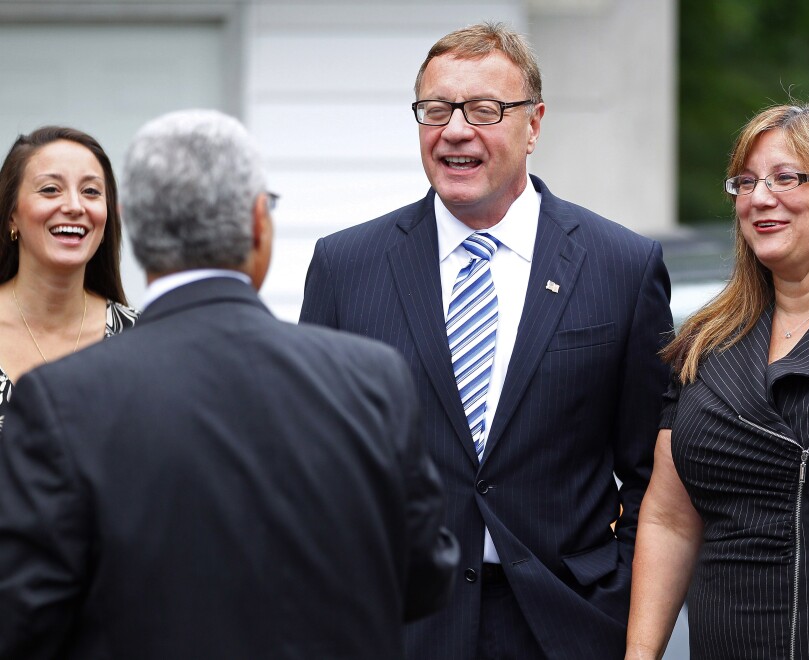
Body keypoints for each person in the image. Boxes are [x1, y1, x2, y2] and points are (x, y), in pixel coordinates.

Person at [0, 109, 458, 659]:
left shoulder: (64, 397)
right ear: (259, 223)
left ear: (134, 229)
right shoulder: (375, 381)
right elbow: (426, 575)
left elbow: (26, 616)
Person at [300, 21, 673, 659]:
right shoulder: (345, 266)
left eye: (484, 109)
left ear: (534, 125)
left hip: (567, 625)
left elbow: (653, 476)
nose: (454, 131)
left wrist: (615, 610)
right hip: (398, 626)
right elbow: (313, 465)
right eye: (435, 109)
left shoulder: (621, 266)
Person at [626, 102, 809, 660]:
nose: (760, 197)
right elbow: (670, 519)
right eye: (746, 181)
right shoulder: (703, 344)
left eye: (786, 177)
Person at [0, 126, 138, 429]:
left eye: (91, 191)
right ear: (12, 215)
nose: (75, 207)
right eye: (50, 189)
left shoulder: (142, 338)